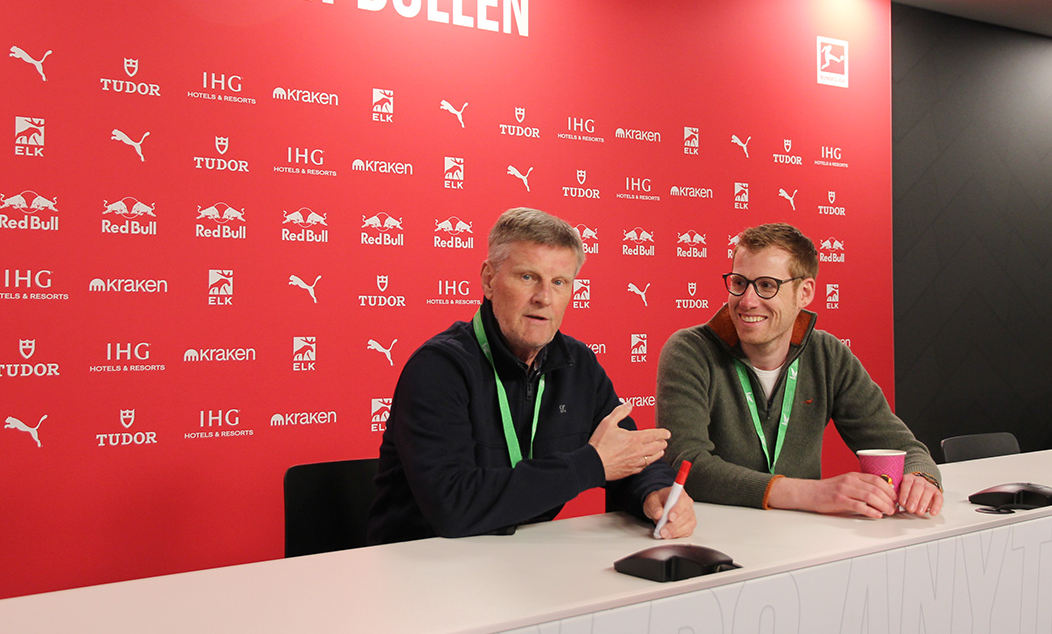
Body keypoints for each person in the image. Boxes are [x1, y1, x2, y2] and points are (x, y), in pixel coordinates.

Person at [368, 207, 696, 544]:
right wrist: (589, 465)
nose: (544, 298)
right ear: (488, 280)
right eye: (527, 277)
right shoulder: (439, 368)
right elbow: (452, 507)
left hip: (524, 562)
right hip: (421, 568)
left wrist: (655, 492)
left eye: (559, 282)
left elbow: (626, 453)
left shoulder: (577, 364)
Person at [657, 223, 943, 518]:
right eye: (740, 282)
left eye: (767, 285)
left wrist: (921, 479)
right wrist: (811, 493)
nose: (747, 301)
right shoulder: (690, 350)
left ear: (804, 292)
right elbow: (686, 464)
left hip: (802, 540)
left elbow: (902, 448)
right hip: (714, 534)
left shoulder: (827, 355)